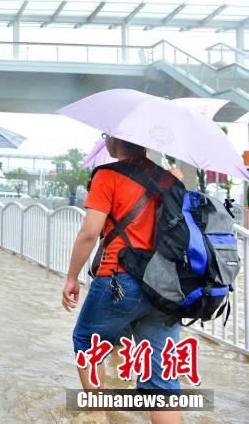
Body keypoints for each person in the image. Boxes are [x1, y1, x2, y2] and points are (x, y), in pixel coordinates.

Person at [62, 135, 182, 424]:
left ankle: (98, 415)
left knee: (87, 341)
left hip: (120, 278)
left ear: (115, 140)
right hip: (166, 286)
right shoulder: (169, 179)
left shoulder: (107, 175)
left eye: (106, 135)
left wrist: (72, 277)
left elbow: (90, 233)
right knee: (162, 379)